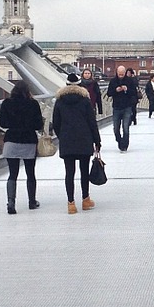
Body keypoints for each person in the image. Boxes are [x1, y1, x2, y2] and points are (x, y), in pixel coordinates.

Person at [52, 72, 102, 214]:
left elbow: (56, 122)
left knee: (69, 172)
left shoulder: (60, 101)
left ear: (66, 84)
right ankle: (85, 200)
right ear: (80, 84)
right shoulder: (85, 100)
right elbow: (92, 122)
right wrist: (96, 140)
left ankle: (71, 204)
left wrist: (62, 136)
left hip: (67, 140)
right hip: (84, 139)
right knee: (84, 171)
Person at [0, 79, 43, 214]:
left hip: (11, 140)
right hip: (28, 140)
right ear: (27, 91)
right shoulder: (33, 104)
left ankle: (11, 202)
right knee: (30, 173)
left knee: (13, 173)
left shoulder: (6, 103)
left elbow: (3, 124)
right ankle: (31, 202)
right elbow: (38, 125)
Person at [106, 64, 139, 152]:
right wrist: (116, 90)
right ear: (117, 72)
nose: (121, 75)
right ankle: (119, 141)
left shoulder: (130, 81)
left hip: (127, 106)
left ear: (125, 73)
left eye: (122, 73)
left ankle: (124, 145)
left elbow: (134, 93)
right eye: (119, 73)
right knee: (116, 128)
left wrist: (127, 90)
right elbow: (109, 93)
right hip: (116, 107)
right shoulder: (113, 81)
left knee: (125, 127)